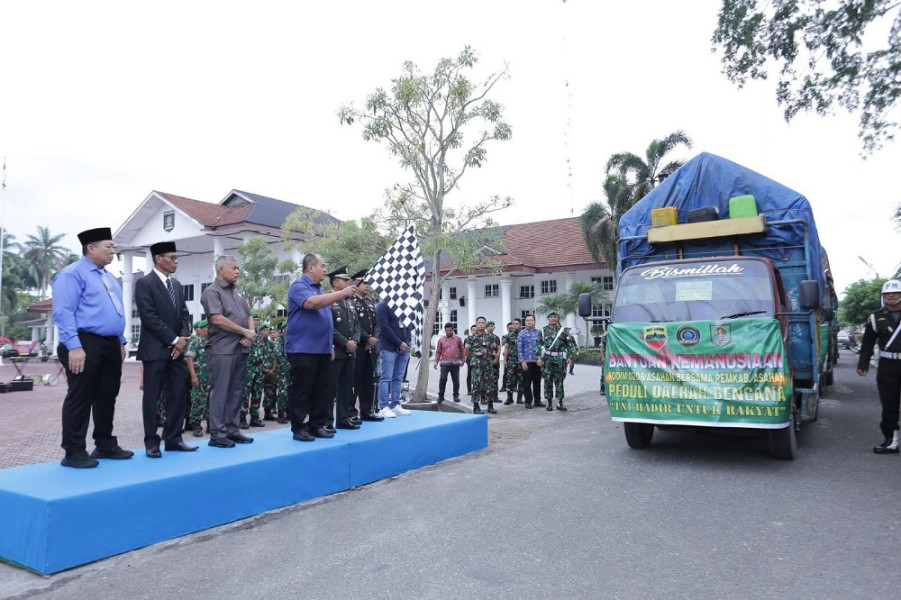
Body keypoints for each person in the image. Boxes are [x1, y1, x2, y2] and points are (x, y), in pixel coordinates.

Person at [52, 227, 134, 468]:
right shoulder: (71, 274)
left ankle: (105, 444)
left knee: (108, 394)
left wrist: (120, 341)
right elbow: (64, 312)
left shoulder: (108, 276)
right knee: (80, 396)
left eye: (113, 247)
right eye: (108, 246)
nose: (112, 251)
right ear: (91, 248)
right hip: (83, 342)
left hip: (110, 344)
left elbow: (116, 311)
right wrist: (74, 346)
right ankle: (74, 451)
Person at [286, 254, 357, 441]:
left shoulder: (320, 290)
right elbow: (310, 304)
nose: (325, 270)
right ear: (310, 268)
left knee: (322, 390)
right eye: (323, 266)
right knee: (302, 390)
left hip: (322, 349)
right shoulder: (299, 287)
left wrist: (330, 346)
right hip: (303, 348)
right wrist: (342, 293)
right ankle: (299, 427)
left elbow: (327, 322)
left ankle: (316, 425)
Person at [134, 241, 196, 457]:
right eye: (172, 257)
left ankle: (173, 439)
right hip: (155, 350)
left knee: (178, 395)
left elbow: (184, 315)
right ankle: (152, 442)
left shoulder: (177, 285)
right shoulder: (145, 283)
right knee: (152, 397)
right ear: (158, 258)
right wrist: (173, 339)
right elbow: (149, 317)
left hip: (176, 352)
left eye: (176, 257)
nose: (175, 261)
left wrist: (182, 339)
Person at [200, 255, 257, 448]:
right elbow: (217, 319)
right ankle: (217, 433)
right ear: (221, 270)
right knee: (221, 391)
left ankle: (233, 430)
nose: (237, 271)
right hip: (222, 348)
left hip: (241, 348)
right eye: (233, 268)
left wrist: (251, 334)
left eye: (238, 268)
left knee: (236, 391)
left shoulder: (238, 294)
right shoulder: (212, 292)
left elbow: (249, 316)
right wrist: (244, 332)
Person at [858, 279, 901, 454]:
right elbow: (867, 343)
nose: (891, 295)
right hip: (887, 365)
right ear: (883, 296)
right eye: (887, 293)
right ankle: (891, 441)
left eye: (895, 292)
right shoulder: (876, 317)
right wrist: (863, 364)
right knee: (889, 404)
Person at [329, 266, 362, 430]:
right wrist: (345, 342)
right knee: (330, 388)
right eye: (345, 280)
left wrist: (354, 341)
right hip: (337, 351)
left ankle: (343, 418)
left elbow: (356, 325)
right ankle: (327, 421)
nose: (348, 282)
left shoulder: (349, 303)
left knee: (346, 387)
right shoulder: (329, 301)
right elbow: (330, 327)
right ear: (335, 283)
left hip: (350, 351)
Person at [351, 269, 384, 422]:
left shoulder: (370, 302)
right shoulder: (351, 301)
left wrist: (374, 339)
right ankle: (351, 412)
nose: (367, 286)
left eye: (368, 283)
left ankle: (367, 410)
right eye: (364, 283)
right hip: (358, 347)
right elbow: (353, 324)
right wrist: (366, 338)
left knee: (368, 381)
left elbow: (377, 324)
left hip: (370, 348)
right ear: (356, 284)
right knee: (355, 381)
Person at [375, 298, 413, 418]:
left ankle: (395, 403)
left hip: (404, 347)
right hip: (388, 347)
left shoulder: (403, 306)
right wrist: (399, 343)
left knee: (398, 378)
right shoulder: (383, 306)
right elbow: (384, 328)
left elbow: (408, 325)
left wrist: (406, 342)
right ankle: (383, 406)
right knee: (386, 377)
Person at [538, 311, 573, 412]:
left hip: (559, 359)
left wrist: (569, 357)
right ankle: (549, 403)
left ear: (557, 319)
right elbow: (538, 344)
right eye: (551, 317)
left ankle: (560, 403)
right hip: (548, 359)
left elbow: (568, 344)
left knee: (559, 381)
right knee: (548, 381)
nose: (553, 319)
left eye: (555, 317)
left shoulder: (563, 331)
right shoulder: (543, 331)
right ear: (548, 319)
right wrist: (539, 358)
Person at [465, 316, 499, 414]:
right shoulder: (471, 338)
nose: (481, 324)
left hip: (488, 365)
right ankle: (476, 407)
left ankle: (490, 406)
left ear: (485, 324)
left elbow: (493, 349)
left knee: (489, 385)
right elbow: (466, 351)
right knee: (476, 385)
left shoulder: (491, 337)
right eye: (479, 323)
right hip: (477, 366)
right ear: (476, 324)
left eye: (483, 323)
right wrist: (474, 358)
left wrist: (487, 356)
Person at [185, 320, 211, 437]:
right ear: (200, 330)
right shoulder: (196, 342)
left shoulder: (214, 343)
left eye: (209, 327)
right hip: (200, 377)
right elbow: (189, 359)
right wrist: (193, 376)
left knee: (213, 402)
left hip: (213, 378)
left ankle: (212, 425)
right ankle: (196, 425)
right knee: (198, 401)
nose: (208, 330)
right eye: (205, 327)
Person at [433, 323, 464, 403]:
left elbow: (462, 350)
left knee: (456, 381)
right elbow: (438, 352)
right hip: (444, 363)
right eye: (447, 331)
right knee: (443, 379)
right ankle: (441, 396)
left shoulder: (458, 339)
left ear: (453, 330)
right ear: (445, 330)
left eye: (450, 330)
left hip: (455, 363)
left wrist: (463, 360)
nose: (449, 332)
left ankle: (456, 395)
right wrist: (436, 362)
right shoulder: (441, 340)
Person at [517, 314, 543, 409]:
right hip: (526, 362)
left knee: (537, 382)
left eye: (531, 320)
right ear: (525, 322)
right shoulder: (522, 334)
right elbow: (519, 349)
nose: (529, 322)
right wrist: (522, 361)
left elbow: (542, 347)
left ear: (534, 321)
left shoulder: (539, 333)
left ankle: (537, 401)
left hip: (537, 362)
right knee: (527, 383)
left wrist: (541, 358)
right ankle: (528, 401)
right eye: (527, 320)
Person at [502, 318, 523, 405]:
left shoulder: (524, 334)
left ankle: (519, 398)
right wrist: (505, 360)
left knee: (521, 380)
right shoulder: (509, 336)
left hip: (522, 361)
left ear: (520, 325)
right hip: (511, 360)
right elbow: (506, 347)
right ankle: (509, 398)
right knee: (510, 379)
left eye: (516, 324)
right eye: (513, 324)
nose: (515, 326)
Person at [486, 321, 502, 406]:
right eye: (489, 326)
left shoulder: (496, 337)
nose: (491, 328)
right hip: (486, 361)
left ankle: (495, 396)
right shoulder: (484, 337)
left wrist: (497, 357)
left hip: (495, 361)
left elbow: (499, 348)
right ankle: (484, 397)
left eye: (492, 326)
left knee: (495, 379)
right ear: (486, 327)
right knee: (485, 380)